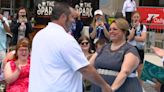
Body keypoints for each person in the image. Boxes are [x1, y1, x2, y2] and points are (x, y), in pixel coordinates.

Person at [29, 2, 112, 92]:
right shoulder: (66, 39)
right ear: (63, 17)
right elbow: (85, 69)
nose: (73, 21)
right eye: (72, 17)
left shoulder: (39, 36)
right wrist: (104, 86)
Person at [90, 18, 142, 92]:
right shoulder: (104, 47)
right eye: (110, 29)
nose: (111, 31)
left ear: (124, 32)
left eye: (115, 29)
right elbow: (89, 65)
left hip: (122, 89)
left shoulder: (130, 50)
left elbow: (125, 72)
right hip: (99, 88)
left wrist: (111, 89)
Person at [128, 11, 147, 78]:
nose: (136, 18)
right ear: (132, 18)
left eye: (137, 17)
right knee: (130, 67)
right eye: (134, 17)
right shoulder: (129, 26)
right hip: (131, 48)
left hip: (140, 48)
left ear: (140, 18)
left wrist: (133, 37)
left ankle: (139, 85)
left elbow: (143, 38)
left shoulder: (142, 27)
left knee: (140, 68)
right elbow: (129, 38)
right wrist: (134, 28)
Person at [0, 9, 10, 81]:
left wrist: (2, 20)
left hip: (1, 48)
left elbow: (8, 30)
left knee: (3, 68)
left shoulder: (4, 19)